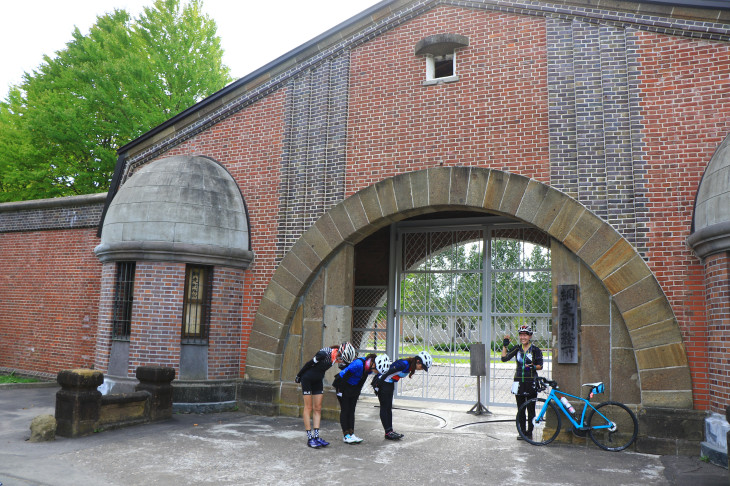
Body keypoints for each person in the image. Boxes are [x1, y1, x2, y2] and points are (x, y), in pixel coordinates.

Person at [295, 342, 356, 448]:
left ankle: (317, 437)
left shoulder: (336, 356)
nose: (341, 362)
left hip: (318, 380)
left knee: (318, 408)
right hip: (307, 379)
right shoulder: (324, 354)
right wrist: (298, 375)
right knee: (308, 407)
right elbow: (309, 364)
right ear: (340, 353)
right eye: (342, 359)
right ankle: (310, 438)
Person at [370, 351, 432, 440]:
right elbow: (387, 372)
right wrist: (378, 384)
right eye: (422, 366)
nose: (422, 369)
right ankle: (388, 432)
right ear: (418, 361)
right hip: (383, 383)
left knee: (388, 408)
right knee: (384, 407)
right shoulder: (404, 364)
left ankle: (390, 431)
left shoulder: (410, 366)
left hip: (389, 384)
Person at [501, 324, 543, 440]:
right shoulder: (517, 349)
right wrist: (505, 346)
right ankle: (522, 432)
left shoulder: (535, 350)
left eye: (525, 335)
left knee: (531, 409)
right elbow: (504, 358)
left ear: (530, 336)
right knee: (520, 409)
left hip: (531, 382)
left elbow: (540, 366)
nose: (522, 337)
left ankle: (529, 432)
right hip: (518, 382)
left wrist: (533, 367)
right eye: (521, 335)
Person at [332, 352, 378, 444]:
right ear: (373, 363)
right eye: (376, 369)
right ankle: (346, 435)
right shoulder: (358, 364)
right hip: (342, 384)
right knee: (345, 410)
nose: (376, 371)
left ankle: (352, 434)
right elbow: (344, 377)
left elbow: (361, 381)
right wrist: (340, 392)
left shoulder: (368, 368)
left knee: (352, 410)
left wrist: (356, 393)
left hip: (353, 387)